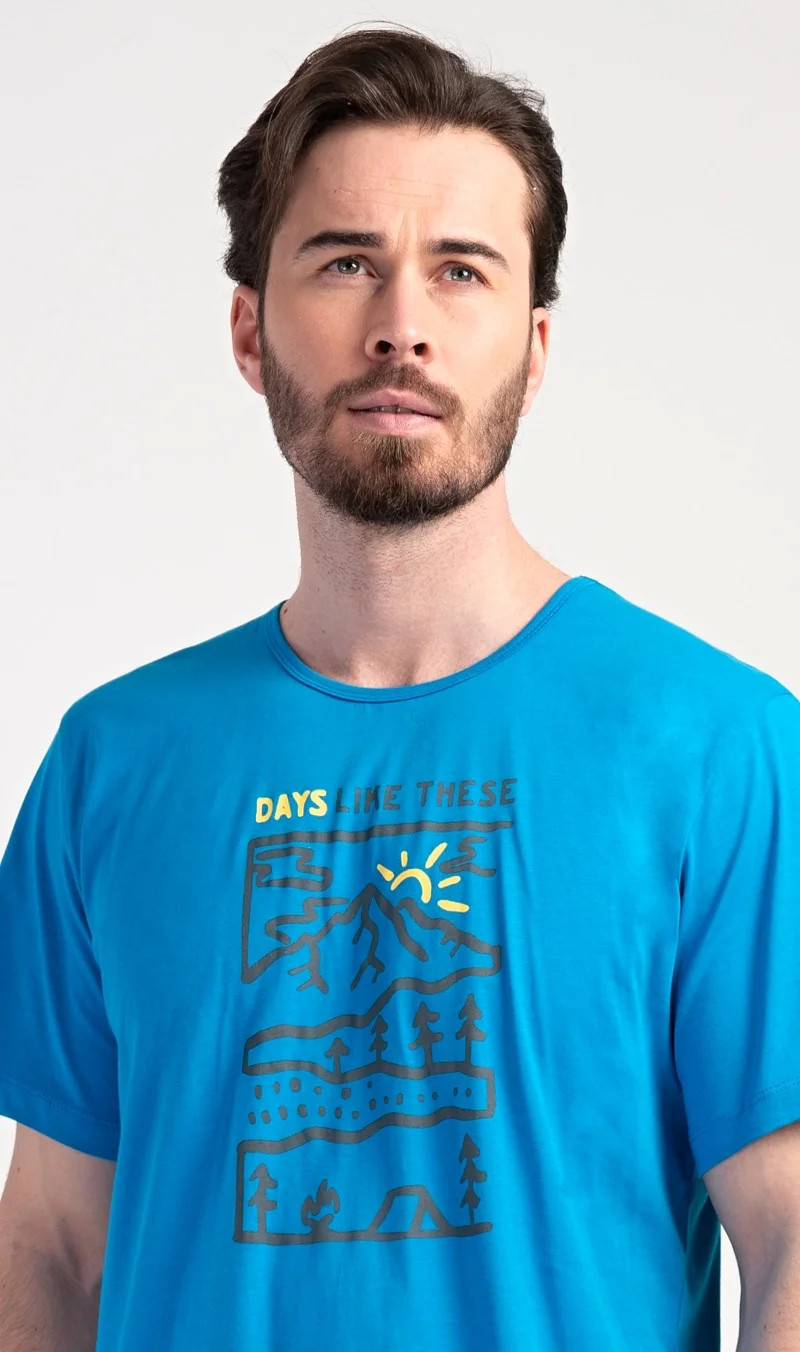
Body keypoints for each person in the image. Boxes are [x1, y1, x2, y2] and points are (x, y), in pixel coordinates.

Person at [1, 22, 799, 1352]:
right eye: (346, 263)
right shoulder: (113, 764)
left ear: (534, 347)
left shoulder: (723, 752)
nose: (401, 328)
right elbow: (53, 1247)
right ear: (250, 331)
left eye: (460, 271)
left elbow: (790, 1238)